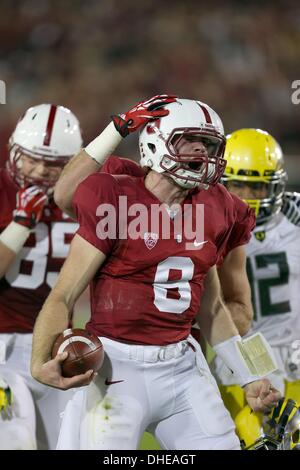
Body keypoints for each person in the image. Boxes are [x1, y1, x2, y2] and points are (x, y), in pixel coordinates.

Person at [31, 96, 280, 450]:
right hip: (116, 367)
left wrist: (250, 375)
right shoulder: (115, 196)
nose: (201, 152)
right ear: (155, 141)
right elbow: (64, 293)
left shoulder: (218, 206)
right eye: (190, 141)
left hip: (182, 365)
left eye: (209, 144)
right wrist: (39, 361)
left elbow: (213, 309)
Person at [0, 104, 83, 449]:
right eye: (31, 158)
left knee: (69, 445)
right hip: (1, 343)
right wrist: (20, 223)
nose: (37, 171)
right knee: (15, 440)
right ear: (13, 151)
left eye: (52, 165)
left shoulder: (84, 199)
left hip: (54, 345)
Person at [213, 128, 300, 446]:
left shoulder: (293, 221)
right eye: (238, 184)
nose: (248, 195)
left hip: (295, 348)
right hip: (241, 353)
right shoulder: (208, 225)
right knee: (257, 439)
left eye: (258, 185)